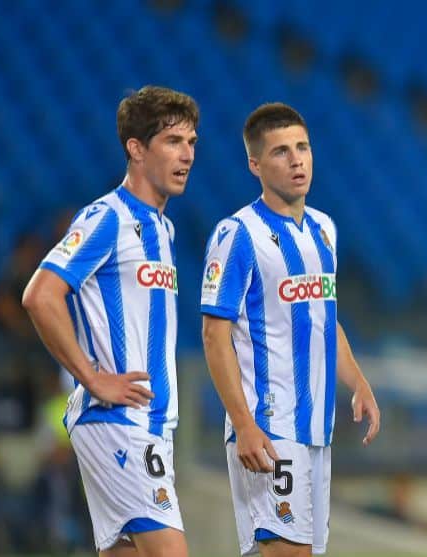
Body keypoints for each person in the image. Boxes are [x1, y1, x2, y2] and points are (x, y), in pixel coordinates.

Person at [21, 85, 198, 556]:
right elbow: (40, 296)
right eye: (173, 142)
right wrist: (94, 378)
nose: (187, 155)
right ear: (136, 150)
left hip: (151, 424)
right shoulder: (107, 217)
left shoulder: (164, 227)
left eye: (192, 143)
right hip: (120, 420)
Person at [201, 102, 381, 557]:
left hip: (318, 428)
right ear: (255, 164)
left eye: (302, 147)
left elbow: (324, 317)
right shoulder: (237, 234)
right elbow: (213, 334)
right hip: (269, 426)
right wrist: (243, 424)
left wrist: (358, 381)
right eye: (281, 151)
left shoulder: (323, 229)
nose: (297, 159)